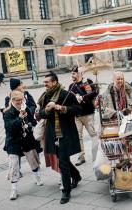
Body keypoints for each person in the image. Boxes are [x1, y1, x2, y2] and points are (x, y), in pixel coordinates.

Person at [37, 72, 82, 204]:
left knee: (62, 161)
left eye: (47, 82)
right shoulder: (45, 96)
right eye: (44, 82)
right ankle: (76, 175)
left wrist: (60, 107)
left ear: (54, 82)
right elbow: (40, 114)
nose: (45, 84)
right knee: (62, 159)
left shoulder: (65, 94)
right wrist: (47, 110)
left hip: (65, 132)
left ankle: (66, 191)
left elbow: (78, 109)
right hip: (52, 133)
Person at [3, 91, 43, 200]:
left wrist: (30, 124)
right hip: (13, 141)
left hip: (27, 139)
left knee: (33, 159)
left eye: (22, 100)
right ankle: (14, 189)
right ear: (12, 100)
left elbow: (32, 121)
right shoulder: (7, 112)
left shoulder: (26, 109)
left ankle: (37, 176)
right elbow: (9, 128)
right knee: (14, 164)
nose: (20, 102)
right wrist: (19, 118)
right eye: (18, 100)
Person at [68, 66, 99, 166]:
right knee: (79, 137)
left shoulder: (86, 82)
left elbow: (93, 93)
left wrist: (82, 97)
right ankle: (81, 157)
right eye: (72, 73)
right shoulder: (71, 86)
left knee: (93, 135)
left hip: (88, 113)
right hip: (77, 115)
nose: (72, 75)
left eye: (74, 73)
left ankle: (95, 156)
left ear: (80, 73)